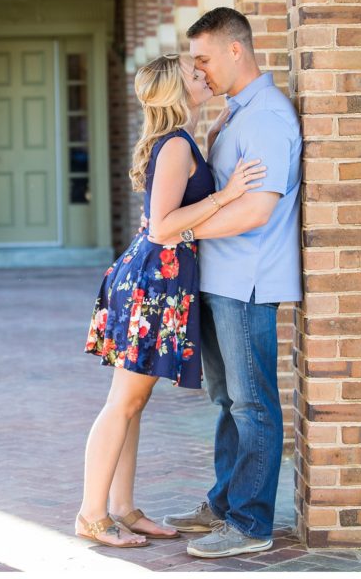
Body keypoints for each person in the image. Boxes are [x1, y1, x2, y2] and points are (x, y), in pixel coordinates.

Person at [76, 53, 267, 547]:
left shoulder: (182, 141)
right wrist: (226, 196)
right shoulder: (176, 146)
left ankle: (122, 507)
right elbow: (162, 228)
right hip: (153, 284)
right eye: (191, 72)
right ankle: (91, 515)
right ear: (174, 91)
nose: (201, 73)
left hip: (157, 282)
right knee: (123, 402)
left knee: (133, 403)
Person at [154, 8, 303, 559]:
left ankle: (249, 523)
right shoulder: (237, 115)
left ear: (235, 50)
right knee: (226, 401)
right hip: (220, 279)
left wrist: (181, 231)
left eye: (204, 59)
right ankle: (222, 505)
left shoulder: (265, 116)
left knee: (252, 404)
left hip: (247, 280)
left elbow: (257, 210)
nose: (201, 71)